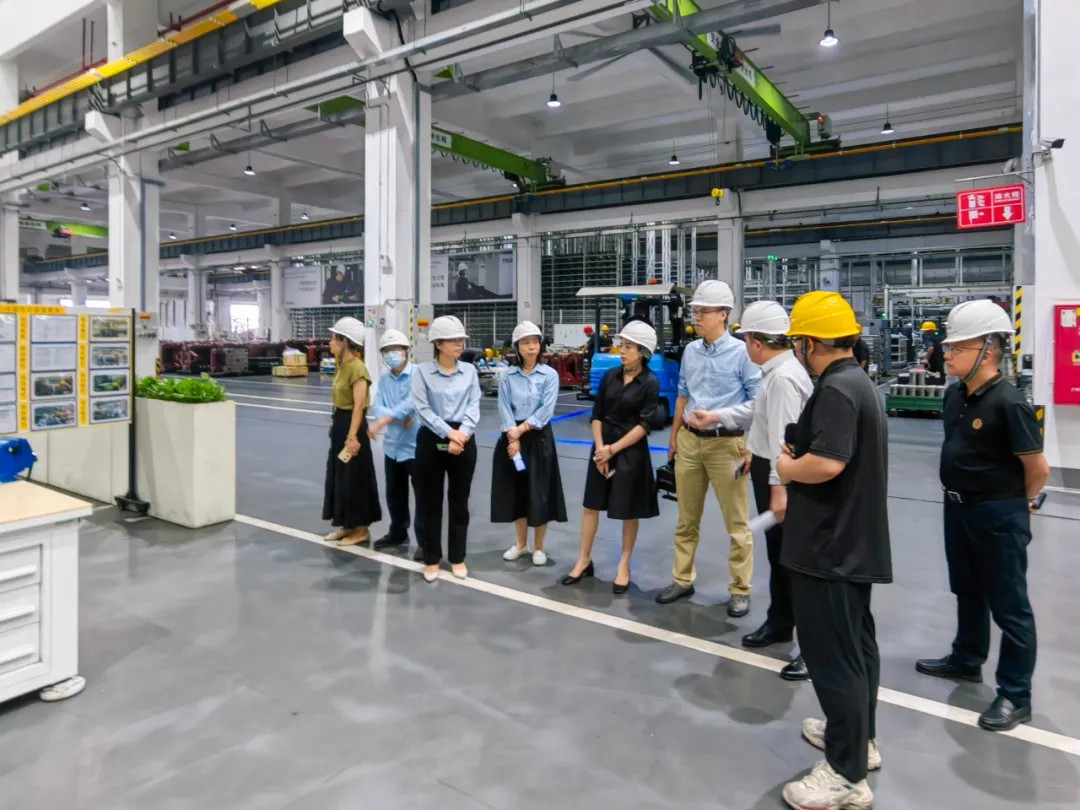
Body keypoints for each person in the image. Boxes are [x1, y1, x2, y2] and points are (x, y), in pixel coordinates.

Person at [775, 291, 890, 810]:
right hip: (852, 542)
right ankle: (858, 739)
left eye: (797, 341)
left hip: (829, 547)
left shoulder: (837, 390)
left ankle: (845, 775)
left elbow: (826, 464)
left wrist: (787, 468)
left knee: (833, 658)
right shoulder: (858, 382)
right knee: (857, 649)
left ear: (809, 342)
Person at [915, 299, 1048, 732]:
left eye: (957, 347)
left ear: (988, 349)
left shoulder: (1009, 403)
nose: (947, 354)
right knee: (967, 588)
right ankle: (967, 657)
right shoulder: (955, 395)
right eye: (948, 347)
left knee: (1009, 606)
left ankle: (1015, 694)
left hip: (997, 513)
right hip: (958, 507)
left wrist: (1015, 504)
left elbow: (1037, 469)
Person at [716, 301, 814, 681]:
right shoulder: (775, 373)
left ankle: (811, 646)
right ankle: (780, 623)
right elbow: (758, 414)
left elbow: (783, 441)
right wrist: (717, 416)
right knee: (779, 557)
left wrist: (778, 487)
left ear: (756, 342)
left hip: (782, 479)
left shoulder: (784, 378)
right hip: (768, 472)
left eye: (746, 340)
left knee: (794, 561)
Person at [658, 280, 761, 617]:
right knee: (686, 519)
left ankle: (740, 589)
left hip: (727, 445)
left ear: (723, 314)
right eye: (696, 312)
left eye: (703, 312)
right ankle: (682, 578)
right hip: (690, 442)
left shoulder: (742, 354)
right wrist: (674, 435)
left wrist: (750, 446)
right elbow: (682, 394)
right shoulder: (691, 351)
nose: (697, 317)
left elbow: (757, 403)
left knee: (737, 523)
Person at [561, 320, 660, 594]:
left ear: (643, 352)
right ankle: (583, 559)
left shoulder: (650, 382)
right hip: (602, 447)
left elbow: (644, 425)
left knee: (629, 510)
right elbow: (597, 414)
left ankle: (624, 564)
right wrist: (600, 449)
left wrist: (612, 450)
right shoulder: (609, 376)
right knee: (591, 505)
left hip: (630, 451)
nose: (622, 351)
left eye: (628, 347)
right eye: (622, 345)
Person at [412, 315, 481, 583]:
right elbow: (422, 408)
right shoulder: (422, 373)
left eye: (461, 339)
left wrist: (461, 435)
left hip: (463, 438)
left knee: (459, 501)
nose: (459, 344)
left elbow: (474, 406)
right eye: (453, 340)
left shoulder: (470, 372)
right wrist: (448, 432)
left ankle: (457, 557)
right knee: (430, 502)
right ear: (438, 344)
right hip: (432, 439)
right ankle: (431, 559)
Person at [495, 321, 568, 565]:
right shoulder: (507, 376)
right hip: (513, 439)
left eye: (535, 342)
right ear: (517, 347)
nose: (531, 347)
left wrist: (519, 431)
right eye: (525, 343)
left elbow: (546, 410)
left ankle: (539, 547)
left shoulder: (550, 375)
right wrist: (512, 436)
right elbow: (504, 406)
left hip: (538, 438)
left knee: (540, 492)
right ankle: (521, 544)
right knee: (519, 491)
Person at [322, 316, 381, 545]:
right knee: (341, 476)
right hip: (340, 424)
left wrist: (352, 436)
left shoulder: (357, 368)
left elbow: (359, 406)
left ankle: (361, 530)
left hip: (351, 426)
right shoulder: (341, 366)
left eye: (333, 338)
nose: (330, 342)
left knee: (354, 478)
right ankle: (347, 525)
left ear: (345, 341)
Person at [369, 329, 424, 562]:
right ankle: (398, 532)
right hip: (393, 446)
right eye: (387, 351)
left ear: (406, 351)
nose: (392, 354)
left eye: (396, 349)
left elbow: (414, 402)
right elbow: (377, 406)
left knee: (423, 497)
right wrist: (396, 416)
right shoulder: (384, 380)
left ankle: (425, 542)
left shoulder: (419, 375)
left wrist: (387, 418)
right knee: (394, 494)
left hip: (416, 447)